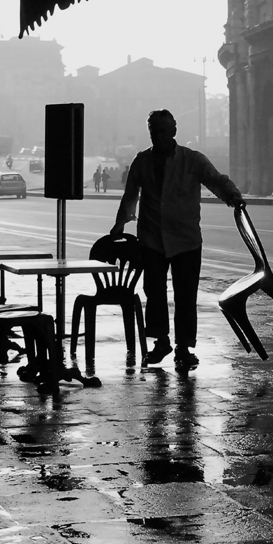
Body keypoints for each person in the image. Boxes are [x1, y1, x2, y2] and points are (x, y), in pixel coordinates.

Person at [110, 109, 244, 371]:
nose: (158, 136)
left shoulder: (192, 160)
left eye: (163, 131)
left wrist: (233, 196)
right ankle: (162, 342)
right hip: (152, 238)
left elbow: (216, 181)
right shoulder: (142, 162)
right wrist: (119, 224)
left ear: (173, 131)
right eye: (154, 132)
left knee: (185, 295)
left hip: (186, 239)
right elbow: (130, 197)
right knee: (155, 292)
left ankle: (183, 347)